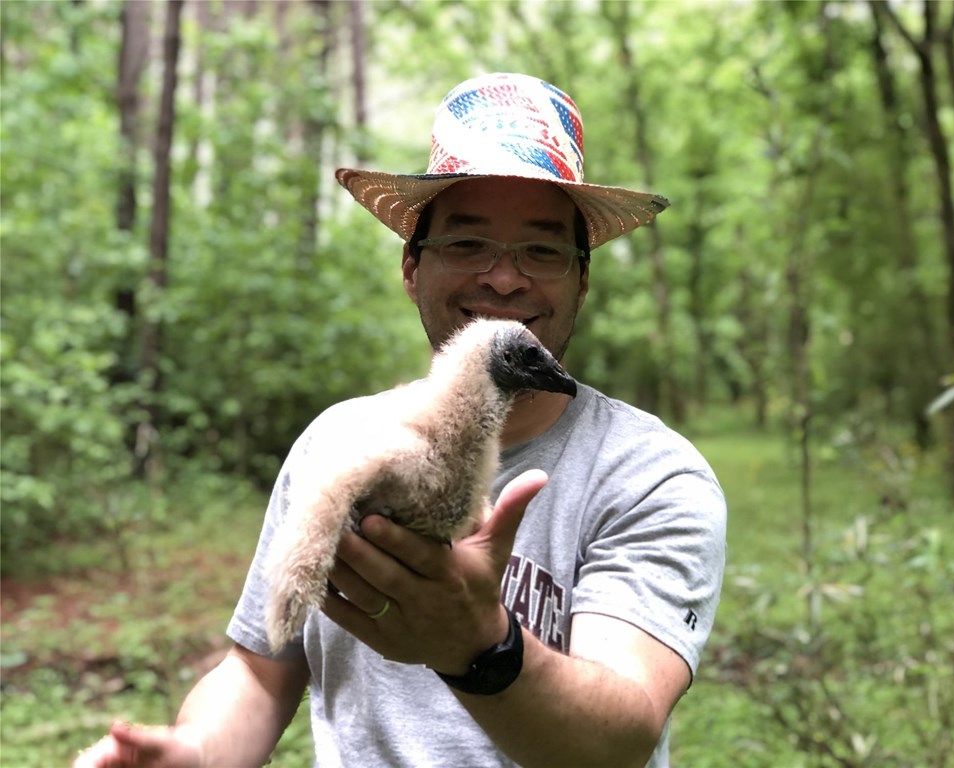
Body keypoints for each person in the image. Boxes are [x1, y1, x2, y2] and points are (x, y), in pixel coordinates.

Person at [75, 72, 726, 768]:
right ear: (412, 267)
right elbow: (260, 672)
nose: (504, 279)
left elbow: (620, 735)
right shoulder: (342, 444)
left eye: (541, 250)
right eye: (467, 244)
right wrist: (197, 754)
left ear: (581, 280)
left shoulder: (649, 476)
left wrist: (482, 648)